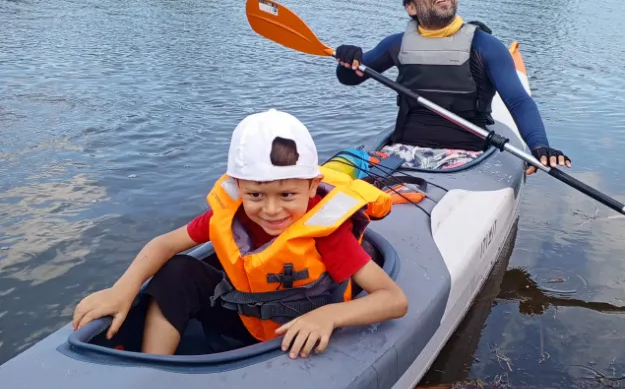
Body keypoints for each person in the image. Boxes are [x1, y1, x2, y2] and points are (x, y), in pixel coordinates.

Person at [72, 110, 408, 360]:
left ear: (310, 186)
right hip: (244, 321)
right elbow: (164, 244)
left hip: (297, 337)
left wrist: (329, 317)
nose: (271, 210)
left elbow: (393, 300)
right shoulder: (229, 216)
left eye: (287, 195)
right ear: (238, 187)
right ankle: (154, 367)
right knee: (178, 271)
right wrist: (123, 290)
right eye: (256, 196)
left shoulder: (328, 235)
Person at [335, 0, 571, 174]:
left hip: (466, 155)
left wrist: (539, 145)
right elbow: (352, 75)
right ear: (411, 7)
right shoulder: (396, 45)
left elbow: (519, 101)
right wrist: (347, 59)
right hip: (402, 150)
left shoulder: (486, 46)